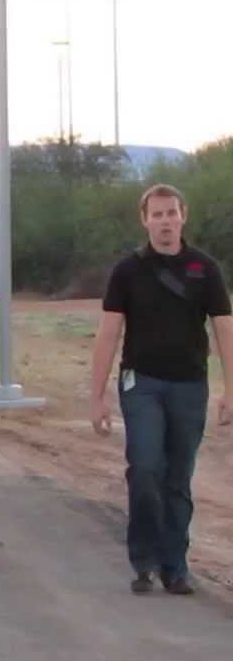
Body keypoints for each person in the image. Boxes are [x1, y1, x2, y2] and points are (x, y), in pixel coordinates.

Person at [90, 183, 233, 596]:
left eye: (172, 213)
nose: (165, 221)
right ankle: (144, 560)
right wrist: (96, 396)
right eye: (158, 214)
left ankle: (175, 566)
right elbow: (108, 333)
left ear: (183, 216)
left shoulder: (204, 269)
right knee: (147, 467)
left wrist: (229, 389)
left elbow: (224, 329)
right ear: (145, 219)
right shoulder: (128, 271)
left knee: (178, 477)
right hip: (142, 385)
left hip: (190, 385)